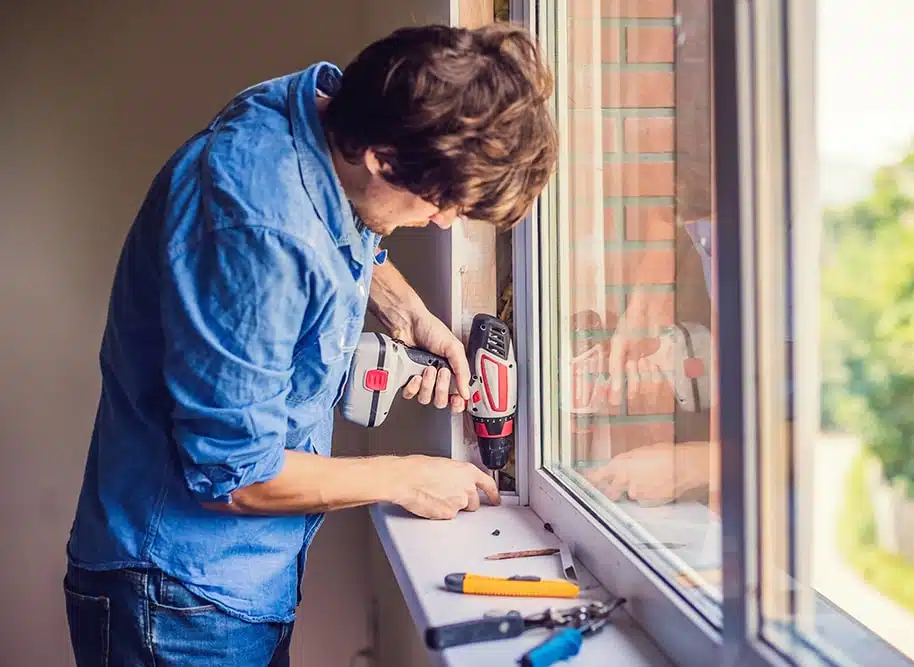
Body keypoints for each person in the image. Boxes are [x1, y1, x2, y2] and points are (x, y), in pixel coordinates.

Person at [63, 23, 557, 667]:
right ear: (381, 157)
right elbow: (231, 476)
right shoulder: (257, 226)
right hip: (179, 604)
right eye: (440, 201)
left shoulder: (312, 115)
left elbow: (329, 213)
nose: (441, 221)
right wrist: (403, 477)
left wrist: (406, 311)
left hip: (228, 585)